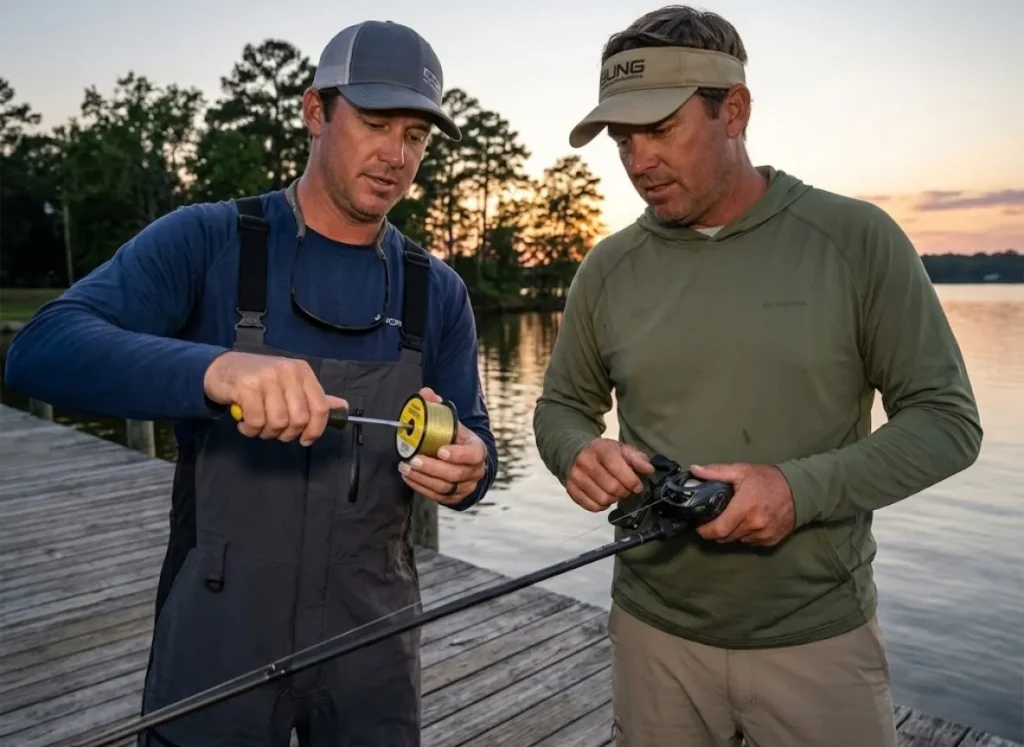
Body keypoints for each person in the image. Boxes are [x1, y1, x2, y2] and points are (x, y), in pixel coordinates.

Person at [4, 19, 497, 747]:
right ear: (314, 111)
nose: (397, 155)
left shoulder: (440, 291)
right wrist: (213, 370)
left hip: (375, 636)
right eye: (375, 122)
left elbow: (478, 447)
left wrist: (468, 471)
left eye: (417, 135)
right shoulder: (206, 240)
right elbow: (41, 349)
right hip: (219, 631)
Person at [533, 6, 982, 747]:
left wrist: (796, 490)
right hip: (653, 639)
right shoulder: (607, 267)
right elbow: (560, 408)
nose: (639, 161)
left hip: (818, 641)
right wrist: (578, 452)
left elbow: (948, 422)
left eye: (661, 129)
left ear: (733, 110)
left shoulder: (855, 239)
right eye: (624, 140)